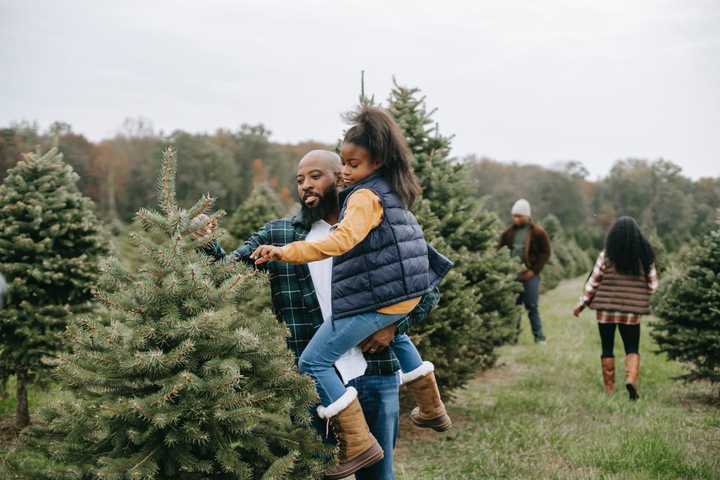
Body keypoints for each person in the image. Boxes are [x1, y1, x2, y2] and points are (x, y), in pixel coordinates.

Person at [199, 149, 440, 480]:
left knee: (379, 474)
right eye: (300, 180)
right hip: (315, 383)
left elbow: (425, 287)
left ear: (340, 177)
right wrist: (207, 244)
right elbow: (229, 271)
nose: (305, 186)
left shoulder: (375, 219)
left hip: (374, 370)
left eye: (315, 176)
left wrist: (392, 326)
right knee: (322, 473)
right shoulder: (281, 235)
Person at [252, 107, 454, 479]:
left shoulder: (363, 199)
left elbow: (342, 240)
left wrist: (287, 253)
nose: (345, 172)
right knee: (396, 336)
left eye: (350, 165)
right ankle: (432, 407)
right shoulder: (393, 196)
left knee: (311, 363)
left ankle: (359, 442)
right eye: (300, 179)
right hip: (399, 295)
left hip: (375, 346)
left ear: (374, 162)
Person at [573, 216, 658, 400]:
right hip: (632, 311)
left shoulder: (606, 255)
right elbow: (653, 285)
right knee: (632, 347)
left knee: (607, 348)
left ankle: (610, 389)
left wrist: (581, 304)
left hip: (605, 310)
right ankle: (631, 379)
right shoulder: (645, 256)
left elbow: (593, 283)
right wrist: (654, 303)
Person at [498, 199, 551, 344]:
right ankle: (512, 338)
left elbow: (545, 253)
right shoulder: (508, 233)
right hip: (512, 275)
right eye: (514, 216)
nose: (516, 219)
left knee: (532, 306)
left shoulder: (538, 232)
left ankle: (539, 337)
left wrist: (534, 271)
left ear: (527, 216)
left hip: (530, 275)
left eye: (519, 216)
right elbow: (499, 251)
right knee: (514, 307)